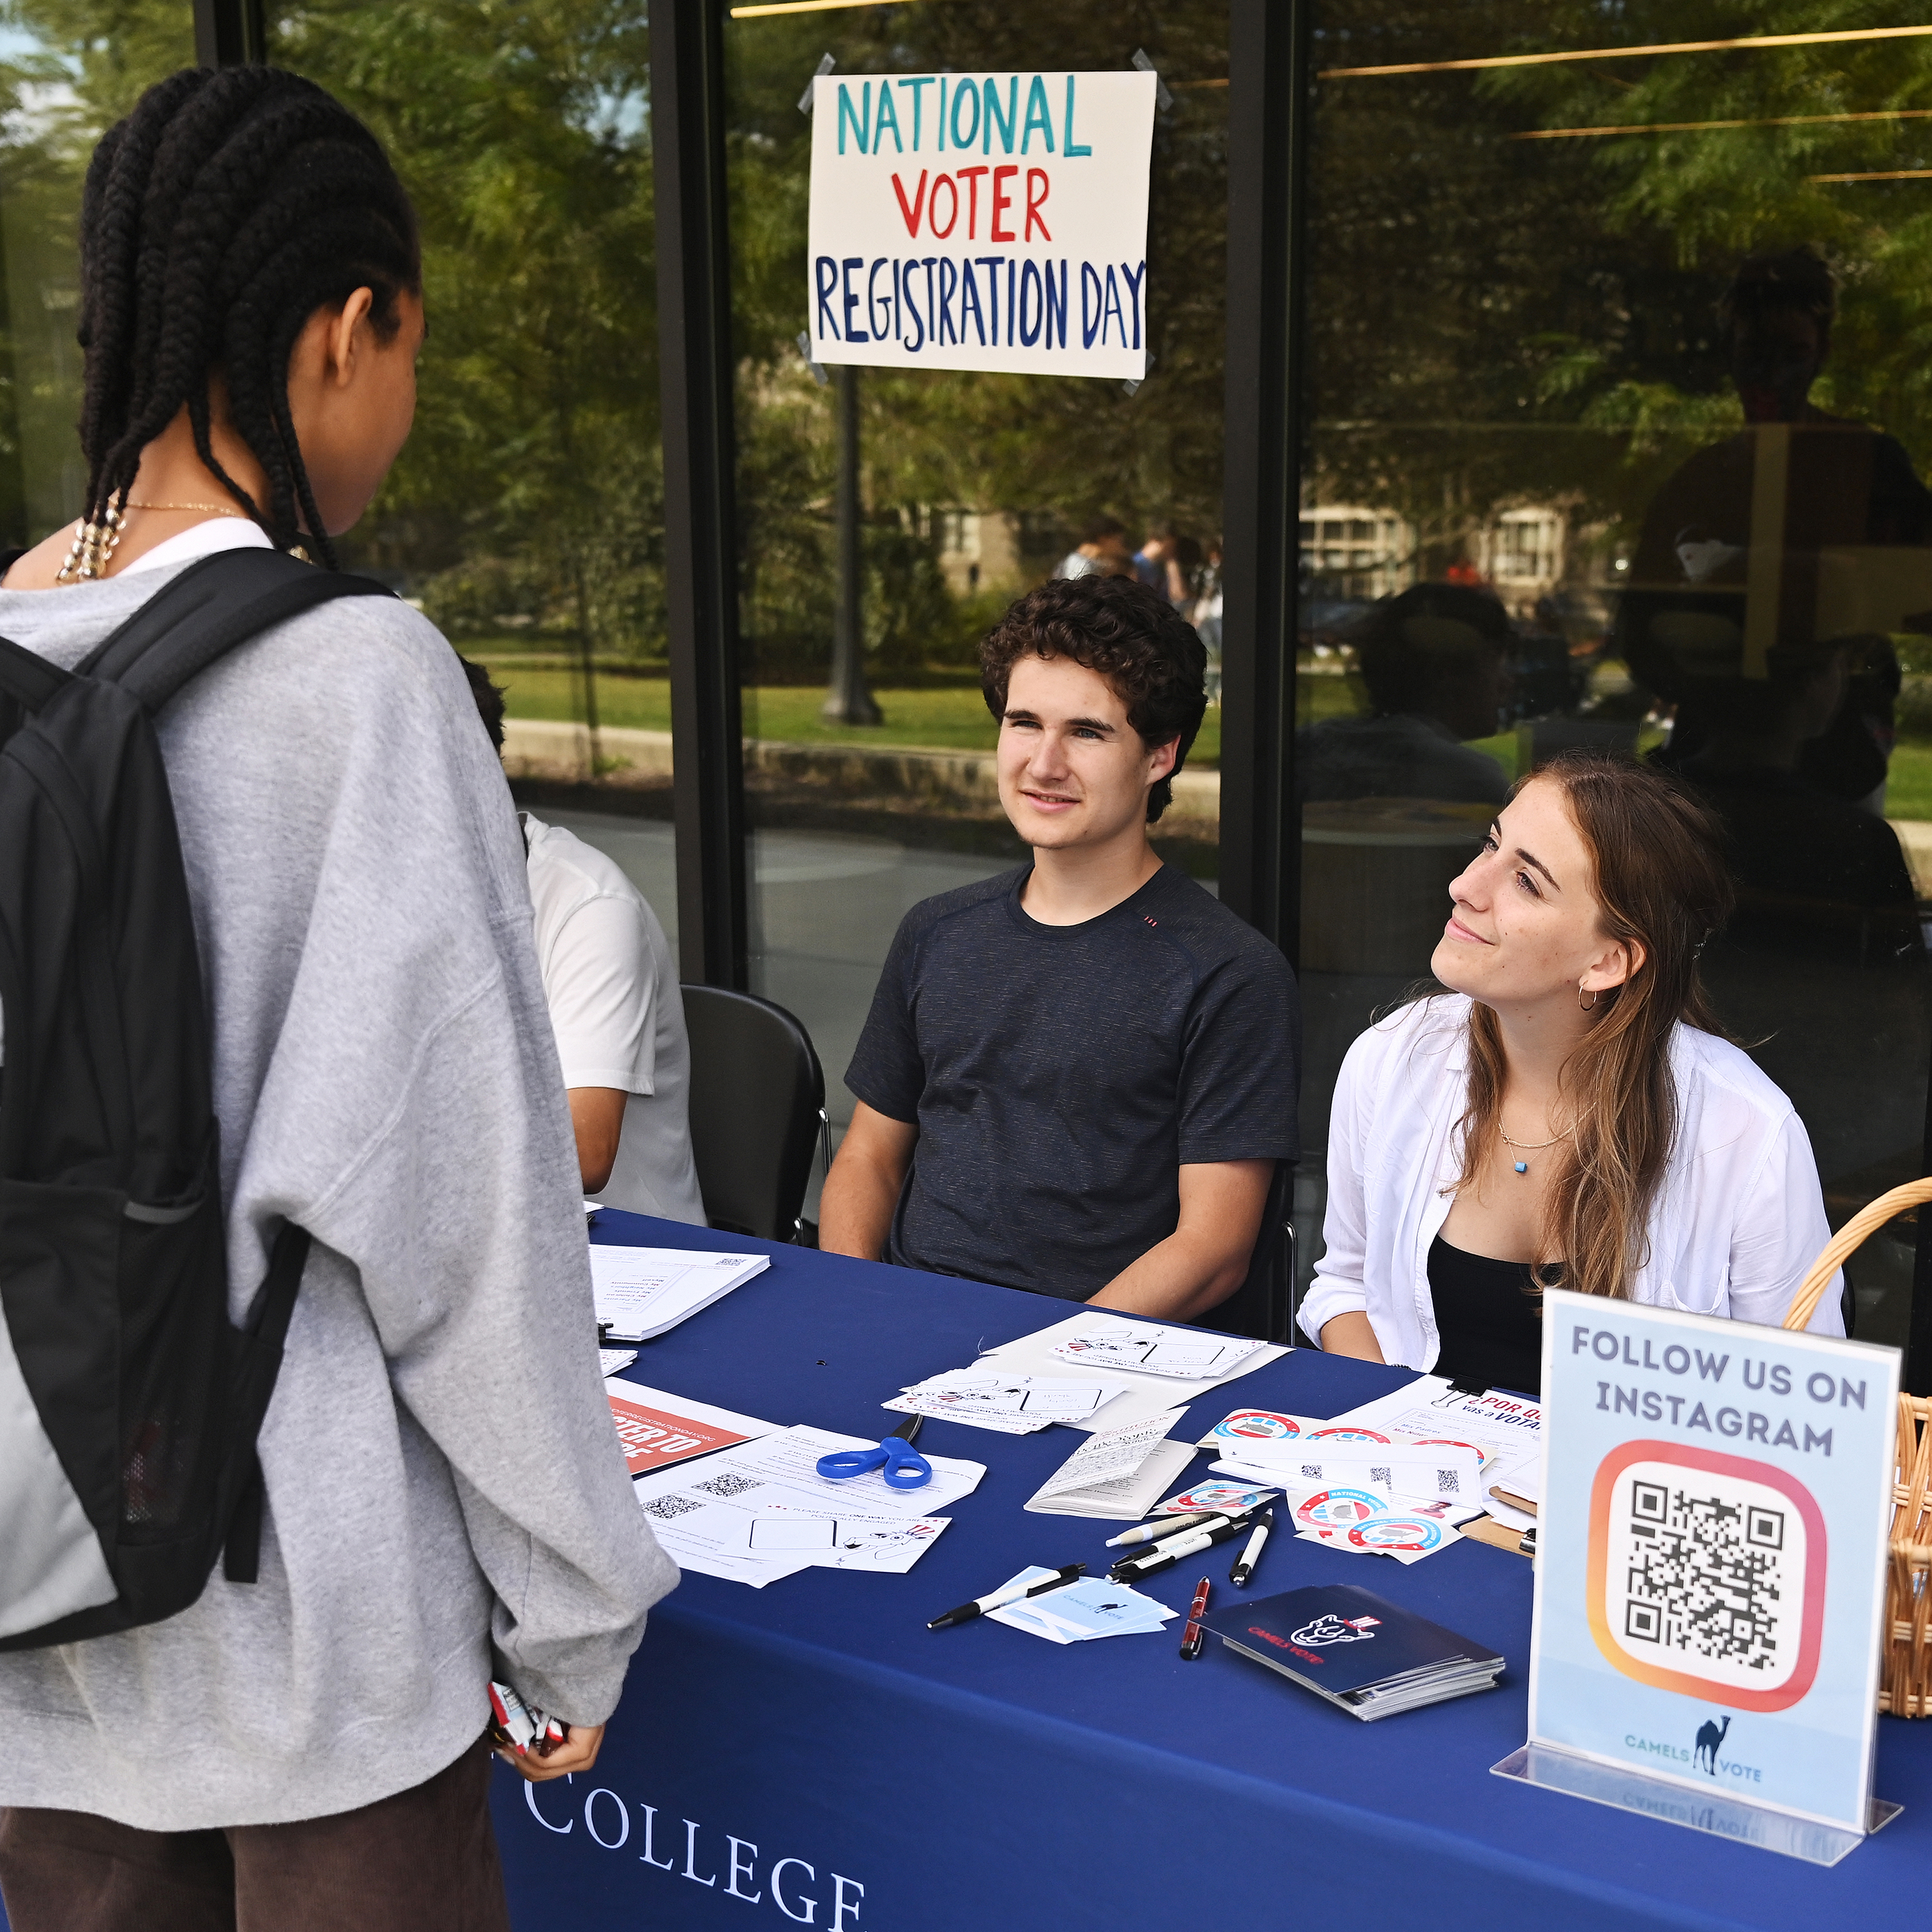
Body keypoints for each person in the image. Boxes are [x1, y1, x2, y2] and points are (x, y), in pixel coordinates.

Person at [0, 68, 673, 1931]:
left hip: (37, 1635)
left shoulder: (2, 645)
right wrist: (577, 1612)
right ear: (343, 328)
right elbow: (469, 1232)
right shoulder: (359, 679)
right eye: (408, 362)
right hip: (307, 1664)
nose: (397, 419)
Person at [820, 574, 1299, 1317]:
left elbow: (1213, 1251)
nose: (1043, 764)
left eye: (1086, 731)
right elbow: (870, 1158)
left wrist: (1044, 1366)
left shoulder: (1229, 974)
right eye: (1023, 723)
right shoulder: (937, 931)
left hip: (1098, 1365)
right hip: (904, 1322)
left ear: (1160, 756)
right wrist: (855, 1303)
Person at [1302, 750, 1844, 1397]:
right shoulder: (1394, 1058)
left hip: (1626, 1489)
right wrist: (1398, 1430)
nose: (1466, 886)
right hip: (1411, 1476)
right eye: (1491, 846)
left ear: (1609, 962)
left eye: (1527, 881)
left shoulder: (1745, 1132)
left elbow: (1804, 1400)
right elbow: (1345, 1284)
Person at [462, 661, 705, 1222]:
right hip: (465, 1240)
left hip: (623, 1254)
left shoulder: (589, 906)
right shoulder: (378, 896)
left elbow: (583, 1151)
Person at [1296, 583, 1511, 805]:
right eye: (1495, 665)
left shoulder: (1305, 749)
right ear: (1448, 677)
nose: (1507, 683)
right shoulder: (1472, 783)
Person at [1054, 515, 1133, 580]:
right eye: (1119, 541)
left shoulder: (1088, 563)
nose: (1122, 546)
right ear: (1103, 539)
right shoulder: (1081, 566)